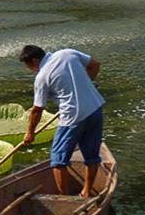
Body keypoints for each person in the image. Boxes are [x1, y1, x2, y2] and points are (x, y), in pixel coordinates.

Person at [19, 44, 104, 197]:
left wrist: (30, 133)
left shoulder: (42, 77)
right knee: (92, 155)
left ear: (35, 60)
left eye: (29, 66)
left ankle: (65, 198)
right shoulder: (68, 53)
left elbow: (37, 109)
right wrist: (87, 86)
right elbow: (94, 65)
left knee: (58, 159)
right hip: (95, 107)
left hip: (73, 116)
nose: (31, 70)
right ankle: (86, 191)